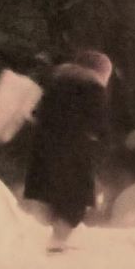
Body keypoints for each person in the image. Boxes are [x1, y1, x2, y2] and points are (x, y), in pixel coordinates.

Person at [22, 49, 113, 252]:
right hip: (74, 153)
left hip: (44, 149)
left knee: (46, 197)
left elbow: (38, 113)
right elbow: (98, 125)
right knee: (75, 201)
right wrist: (102, 145)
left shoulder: (54, 83)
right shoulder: (93, 89)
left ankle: (40, 239)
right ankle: (55, 242)